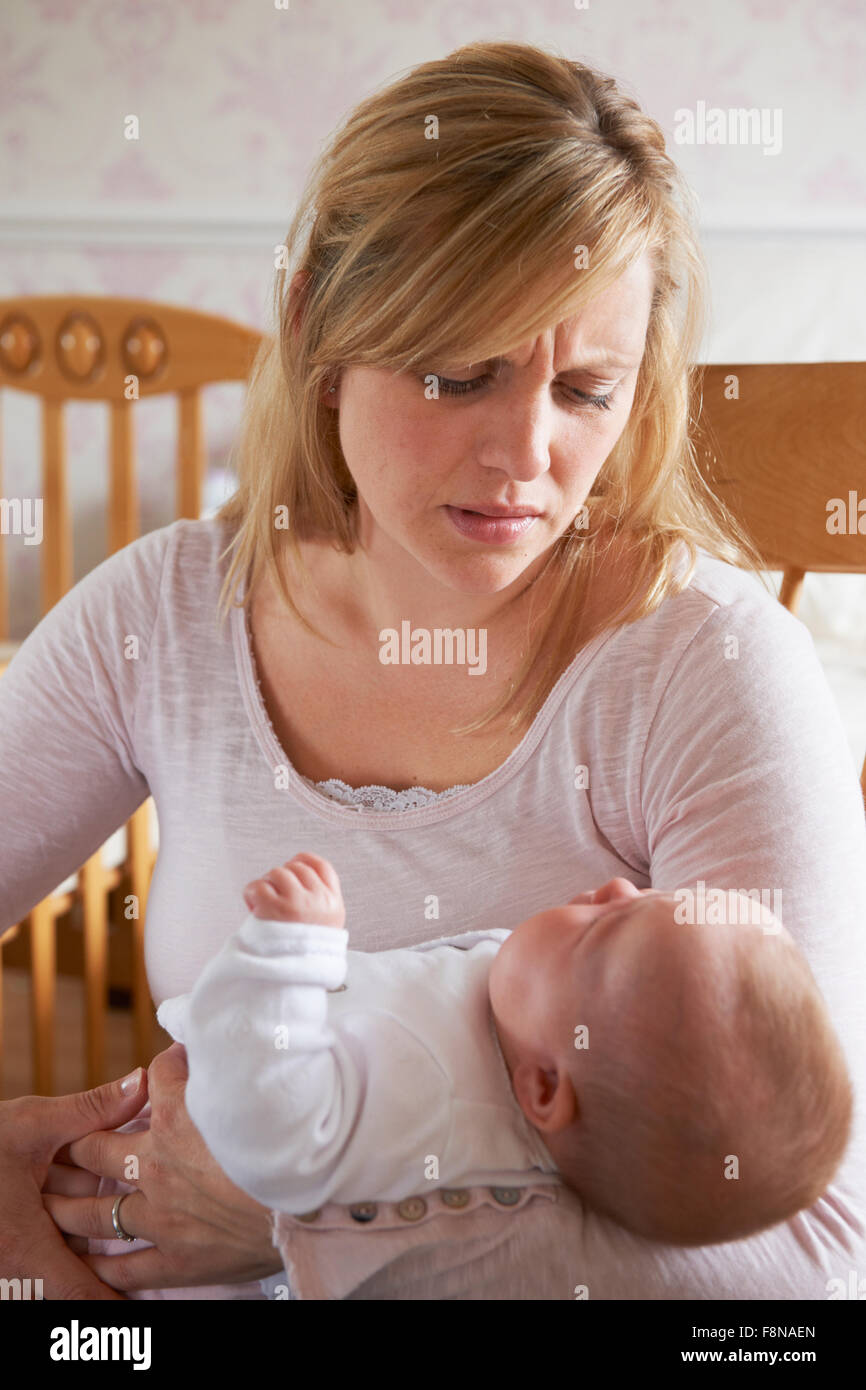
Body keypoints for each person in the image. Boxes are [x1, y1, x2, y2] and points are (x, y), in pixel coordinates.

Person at [2, 39, 865, 1300]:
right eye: (459, 373)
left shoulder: (710, 675)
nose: (525, 454)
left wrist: (313, 1222)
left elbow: (818, 1258)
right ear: (313, 328)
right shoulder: (167, 616)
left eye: (584, 387)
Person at [106, 848, 849, 1302]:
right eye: (651, 897)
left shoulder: (430, 1096)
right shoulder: (523, 1023)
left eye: (606, 929)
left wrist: (289, 956)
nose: (618, 888)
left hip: (140, 1252)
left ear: (545, 1090)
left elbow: (266, 1135)